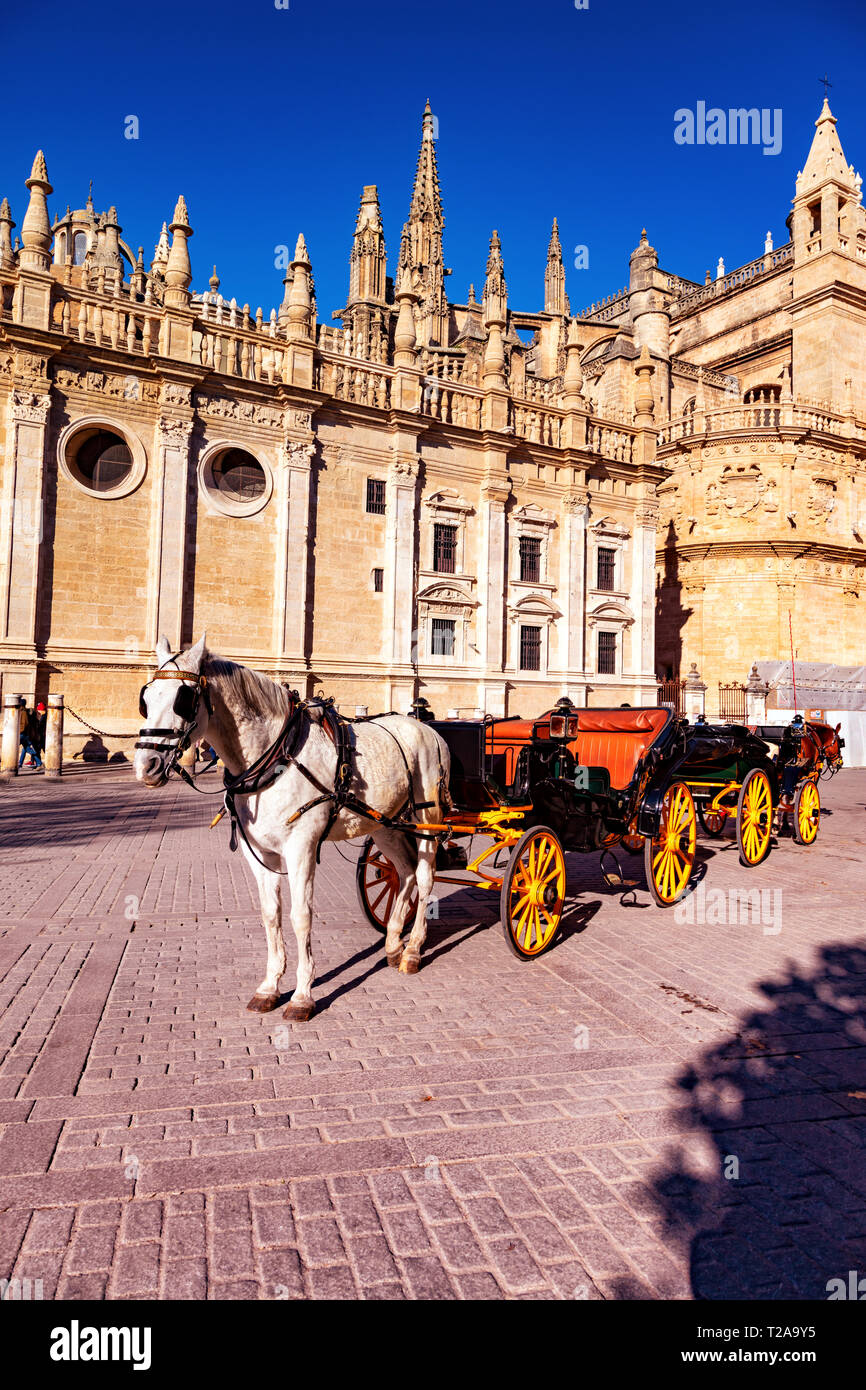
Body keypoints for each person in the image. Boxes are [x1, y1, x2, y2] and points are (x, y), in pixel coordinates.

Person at [18, 698, 44, 770]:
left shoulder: (22, 711)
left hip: (22, 734)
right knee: (28, 749)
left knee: (12, 746)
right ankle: (39, 763)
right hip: (25, 734)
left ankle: (12, 765)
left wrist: (20, 731)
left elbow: (24, 723)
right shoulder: (23, 711)